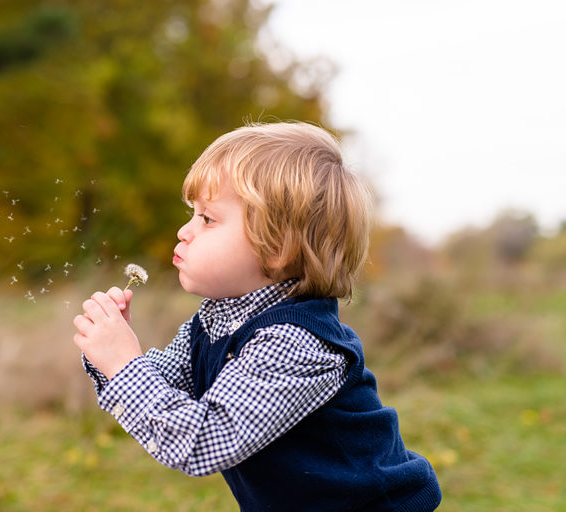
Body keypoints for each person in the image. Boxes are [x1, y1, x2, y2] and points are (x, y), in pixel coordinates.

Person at [72, 121, 442, 511]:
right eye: (192, 214)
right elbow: (169, 392)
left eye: (208, 219)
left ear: (277, 248)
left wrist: (124, 365)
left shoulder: (296, 344)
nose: (184, 231)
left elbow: (199, 442)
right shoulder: (216, 320)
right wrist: (111, 354)